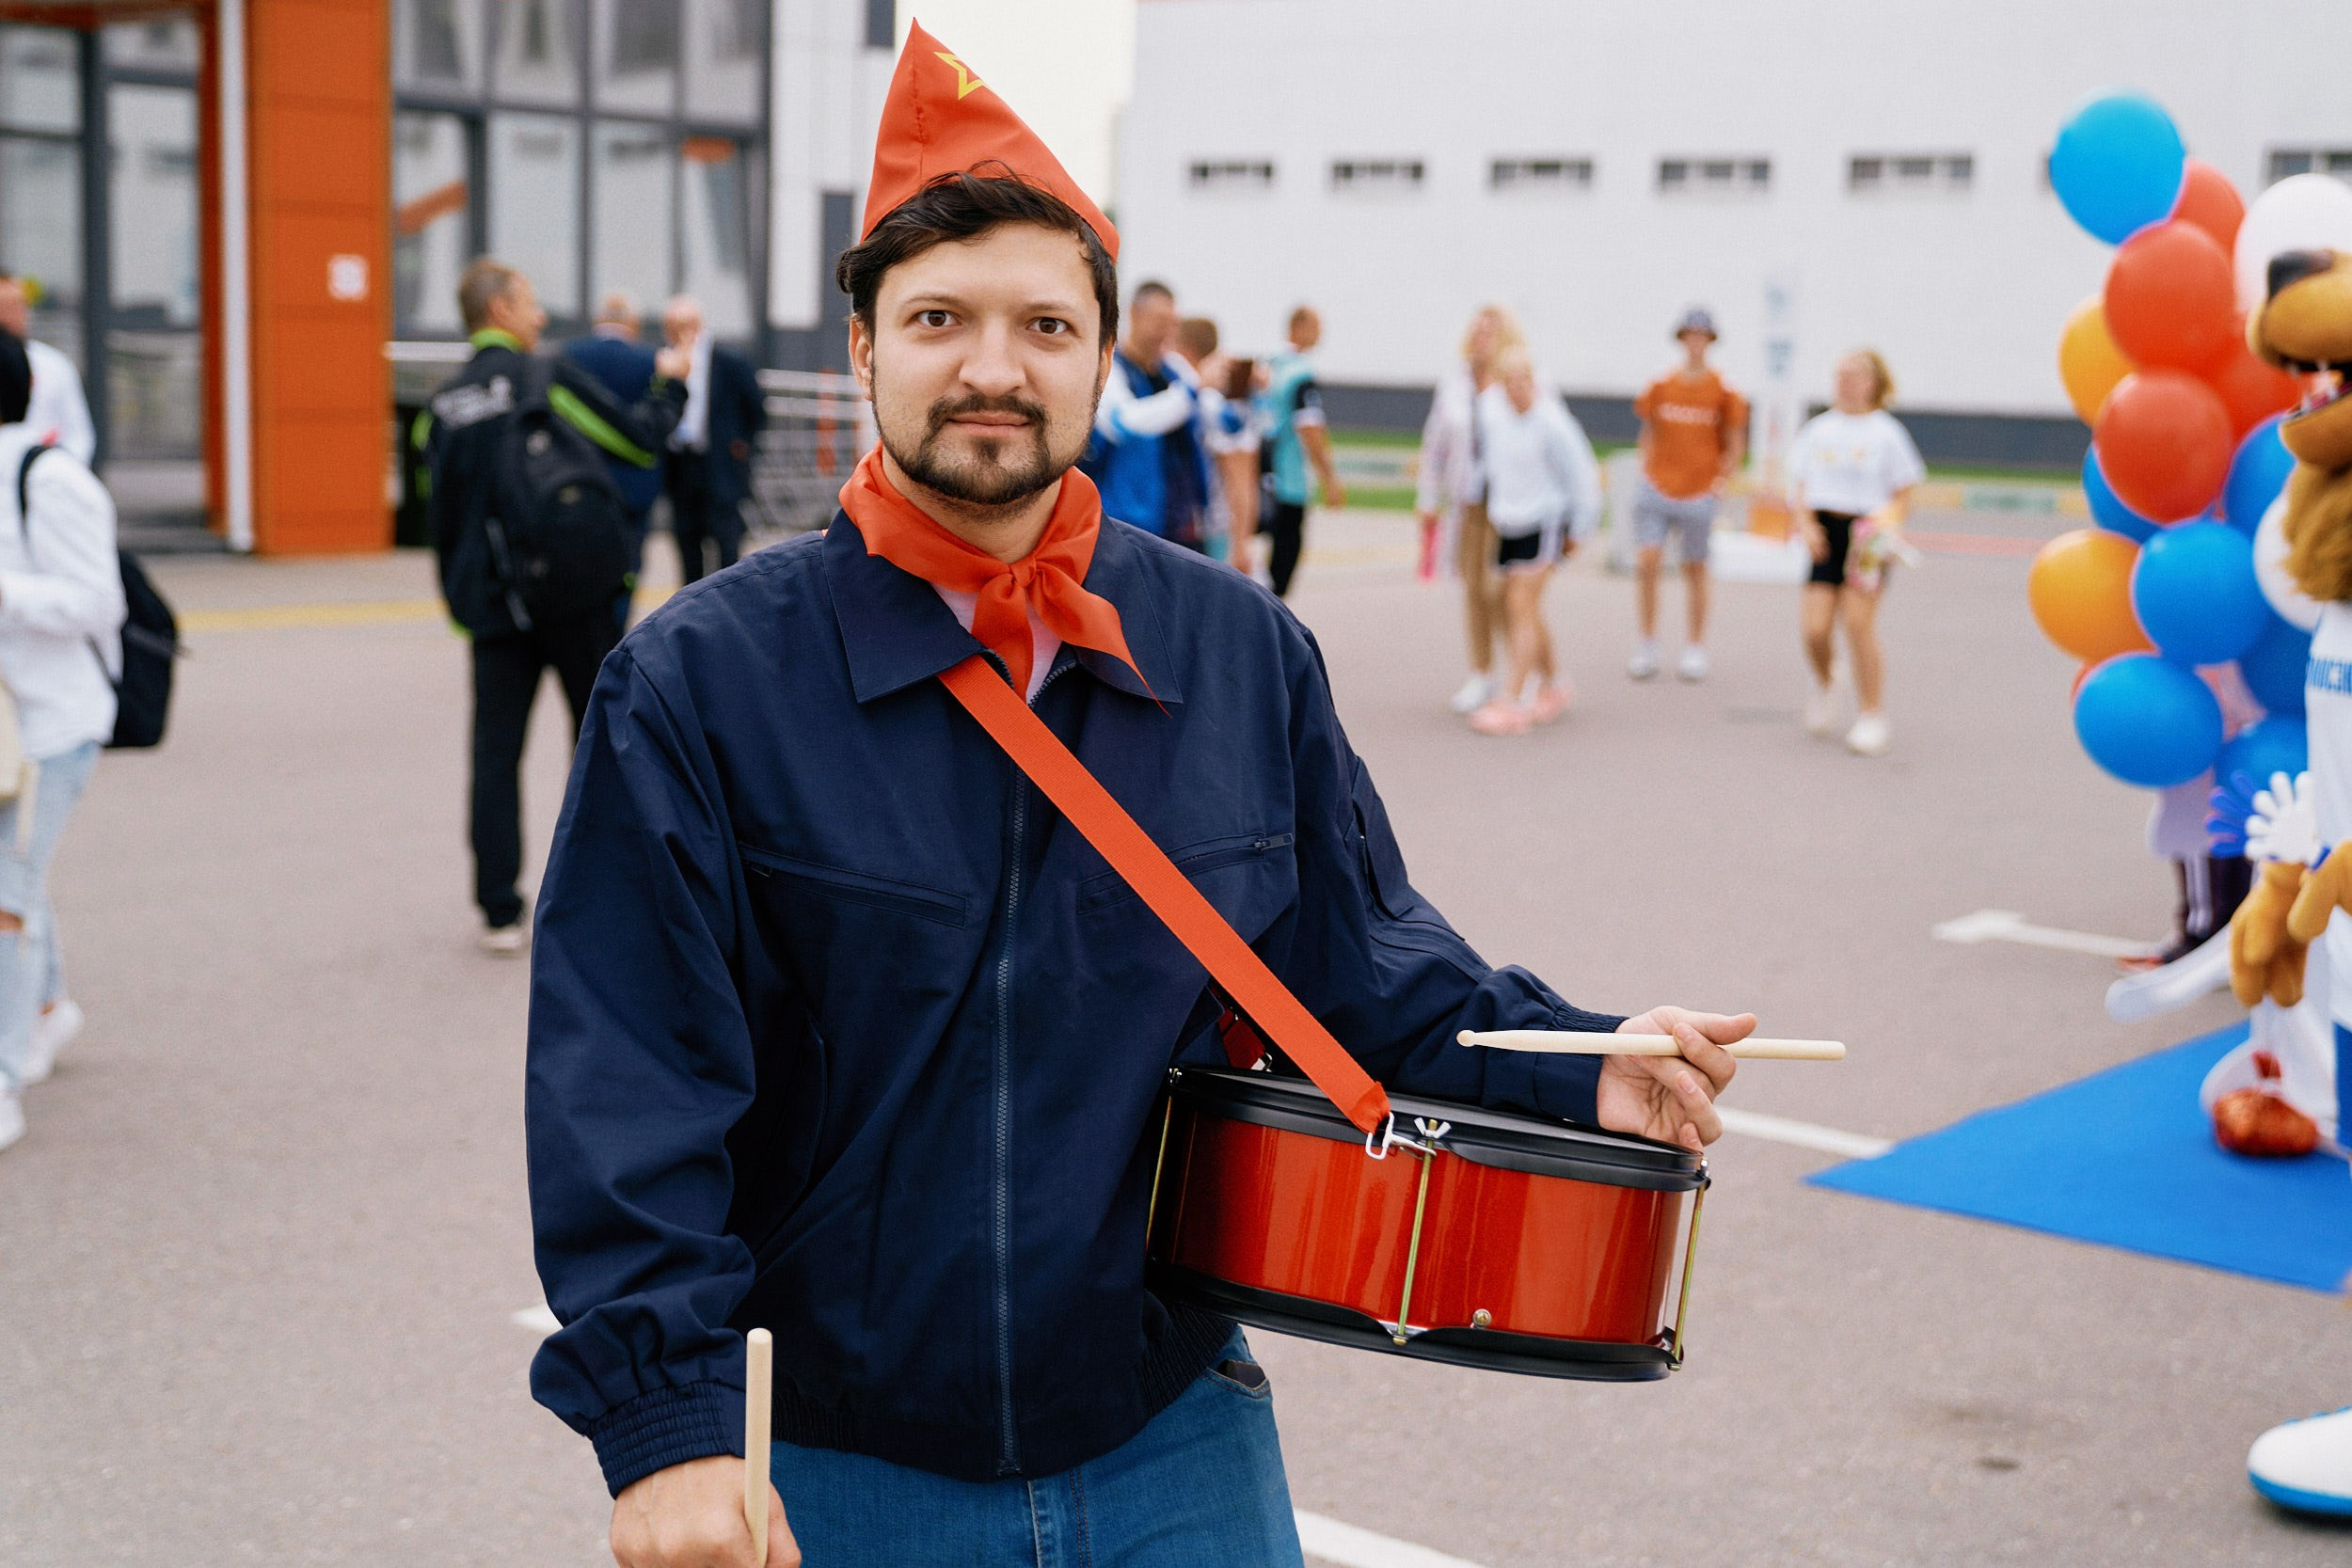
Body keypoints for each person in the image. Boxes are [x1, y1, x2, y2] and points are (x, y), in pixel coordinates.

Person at [526, 25, 1754, 1568]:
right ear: (861, 347)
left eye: (1046, 321)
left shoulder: (1239, 651)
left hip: (1171, 1429)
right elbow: (625, 1085)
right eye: (939, 318)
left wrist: (1582, 1060)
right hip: (835, 1461)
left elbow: (1364, 965)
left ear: (1103, 354)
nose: (993, 365)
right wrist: (666, 1429)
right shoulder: (700, 685)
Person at [417, 258, 687, 953]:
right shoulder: (545, 376)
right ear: (503, 309)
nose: (540, 316)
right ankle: (597, 895)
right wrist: (671, 386)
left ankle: (500, 909)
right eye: (531, 302)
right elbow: (635, 437)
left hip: (491, 603)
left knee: (495, 752)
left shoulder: (441, 407)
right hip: (574, 593)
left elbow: (437, 518)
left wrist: (461, 605)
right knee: (594, 740)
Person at [0, 331, 123, 1153]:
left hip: (49, 723)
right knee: (16, 875)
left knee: (6, 894)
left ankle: (4, 1075)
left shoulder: (48, 479)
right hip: (9, 719)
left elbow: (95, 602)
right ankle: (47, 1008)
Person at [1788, 349, 1924, 758]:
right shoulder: (1818, 430)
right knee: (1814, 628)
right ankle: (1828, 680)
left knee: (1858, 624)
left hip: (1866, 536)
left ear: (1873, 383)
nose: (1845, 383)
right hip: (1826, 532)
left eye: (1854, 376)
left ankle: (1871, 714)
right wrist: (1807, 525)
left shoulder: (1887, 433)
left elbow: (1905, 490)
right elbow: (1799, 487)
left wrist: (1889, 520)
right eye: (1840, 375)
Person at [1466, 346, 1602, 737]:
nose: (1517, 390)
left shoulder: (1553, 423)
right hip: (1510, 523)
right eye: (1509, 383)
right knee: (1527, 609)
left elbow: (1582, 475)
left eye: (1523, 381)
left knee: (1519, 605)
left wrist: (1580, 528)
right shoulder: (1496, 417)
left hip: (1546, 522)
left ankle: (1515, 696)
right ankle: (1555, 683)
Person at [1629, 308, 1748, 683]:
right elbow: (1648, 430)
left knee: (1695, 568)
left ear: (1710, 342)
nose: (1696, 342)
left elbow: (1734, 441)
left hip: (1699, 491)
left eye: (1703, 336)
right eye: (1690, 335)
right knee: (1648, 561)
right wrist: (1646, 468)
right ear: (1681, 339)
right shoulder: (1662, 385)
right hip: (1658, 486)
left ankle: (1694, 645)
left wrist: (1721, 481)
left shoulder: (1723, 390)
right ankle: (1647, 642)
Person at [1417, 305, 1524, 713]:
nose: (1482, 338)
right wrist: (1428, 497)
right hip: (1470, 501)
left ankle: (1525, 670)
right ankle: (1483, 673)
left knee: (1504, 591)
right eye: (1477, 330)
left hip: (1512, 502)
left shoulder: (1521, 378)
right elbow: (1436, 444)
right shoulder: (1455, 383)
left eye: (1491, 332)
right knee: (1474, 590)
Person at [1086, 281, 1212, 549]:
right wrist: (1191, 392)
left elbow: (1214, 420)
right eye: (1159, 321)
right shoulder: (1110, 369)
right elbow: (1124, 423)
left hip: (1182, 523)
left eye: (1172, 323)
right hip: (1126, 524)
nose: (1165, 332)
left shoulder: (1175, 369)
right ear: (1134, 313)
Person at [564, 293, 666, 604]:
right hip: (633, 488)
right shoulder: (653, 361)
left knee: (577, 573)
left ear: (598, 320)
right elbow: (662, 423)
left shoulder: (568, 356)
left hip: (577, 483)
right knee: (626, 571)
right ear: (632, 324)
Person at [661, 294, 770, 584]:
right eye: (672, 326)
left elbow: (756, 408)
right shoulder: (665, 361)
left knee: (726, 544)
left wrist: (739, 446)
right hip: (681, 465)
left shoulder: (729, 361)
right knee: (686, 544)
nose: (680, 332)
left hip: (720, 466)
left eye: (685, 324)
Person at [1256, 305, 1346, 597]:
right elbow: (1310, 429)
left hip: (1263, 472)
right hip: (1290, 476)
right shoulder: (1300, 372)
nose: (1320, 335)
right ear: (1300, 326)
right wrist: (1330, 479)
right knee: (1283, 561)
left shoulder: (1268, 364)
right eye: (1316, 327)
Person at [1173, 314, 1258, 563]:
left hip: (1218, 532)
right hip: (1199, 528)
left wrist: (1241, 544)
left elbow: (1242, 481)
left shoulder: (1217, 408)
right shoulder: (1193, 400)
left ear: (1187, 351)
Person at [0, 274, 95, 464]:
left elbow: (80, 435)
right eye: (4, 306)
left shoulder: (54, 365)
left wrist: (56, 469)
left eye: (17, 305)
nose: (10, 315)